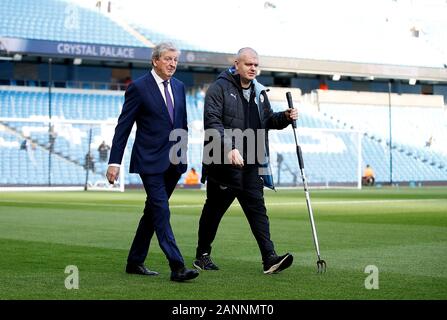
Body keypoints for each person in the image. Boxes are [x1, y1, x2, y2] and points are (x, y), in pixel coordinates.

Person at [193, 47, 298, 274]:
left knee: (258, 210)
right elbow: (212, 122)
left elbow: (268, 120)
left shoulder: (260, 92)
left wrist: (286, 117)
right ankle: (202, 255)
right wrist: (229, 148)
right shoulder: (219, 88)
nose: (253, 68)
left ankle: (269, 258)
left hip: (252, 164)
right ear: (237, 64)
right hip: (223, 163)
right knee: (214, 210)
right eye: (248, 64)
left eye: (256, 65)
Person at [106, 42, 198, 282]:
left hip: (173, 162)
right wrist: (114, 161)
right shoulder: (138, 87)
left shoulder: (179, 87)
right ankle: (177, 266)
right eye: (168, 59)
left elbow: (182, 124)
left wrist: (182, 154)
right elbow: (123, 126)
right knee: (162, 210)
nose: (172, 64)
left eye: (175, 60)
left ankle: (134, 262)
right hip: (149, 161)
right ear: (155, 61)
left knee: (153, 212)